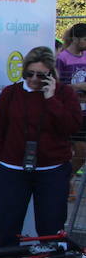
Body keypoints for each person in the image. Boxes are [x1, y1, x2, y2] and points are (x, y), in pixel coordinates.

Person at [0, 46, 82, 258]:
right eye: (29, 74)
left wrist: (51, 99)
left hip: (51, 170)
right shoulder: (10, 94)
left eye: (41, 75)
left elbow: (71, 126)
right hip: (12, 169)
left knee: (50, 227)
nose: (34, 80)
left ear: (51, 74)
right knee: (7, 225)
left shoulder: (62, 95)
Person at [55, 22, 86, 187]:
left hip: (85, 111)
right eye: (85, 39)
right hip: (72, 111)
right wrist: (78, 87)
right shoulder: (62, 59)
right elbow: (57, 86)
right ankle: (64, 181)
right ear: (75, 39)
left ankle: (65, 182)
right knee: (81, 150)